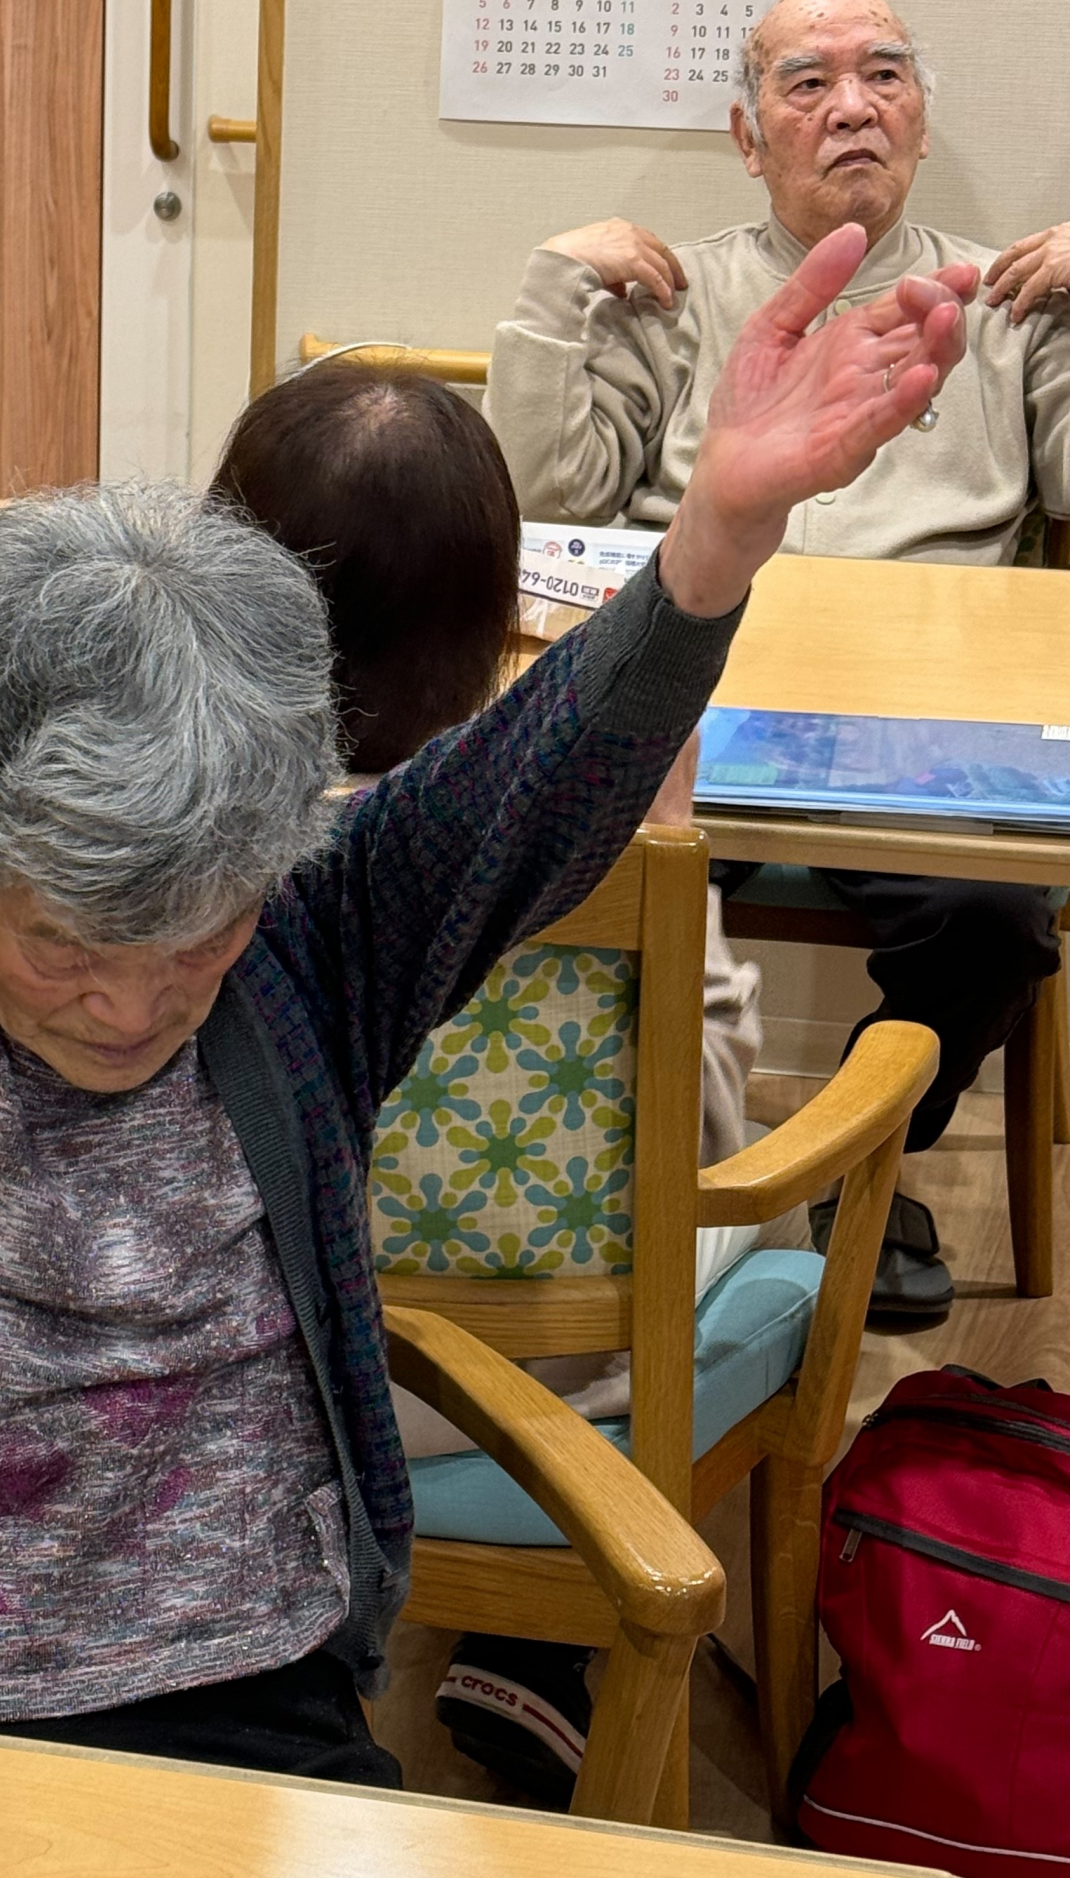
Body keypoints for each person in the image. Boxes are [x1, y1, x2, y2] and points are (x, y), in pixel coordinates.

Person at [0, 9, 960, 1790]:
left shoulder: (315, 950)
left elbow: (534, 791)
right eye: (64, 946)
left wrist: (718, 533)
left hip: (263, 1708)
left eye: (200, 937)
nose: (135, 1004)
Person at [209, 352, 770, 1803]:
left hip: (272, 1363)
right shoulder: (575, 835)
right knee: (768, 1199)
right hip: (553, 1382)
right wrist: (677, 856)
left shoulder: (170, 839)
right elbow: (700, 1135)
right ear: (492, 616)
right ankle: (552, 1636)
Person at [485, 0, 1070, 1323]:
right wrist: (556, 286)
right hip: (694, 698)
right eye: (808, 83)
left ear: (920, 118)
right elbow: (541, 508)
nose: (853, 106)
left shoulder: (1007, 302)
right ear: (749, 139)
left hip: (927, 722)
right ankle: (622, 1176)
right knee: (562, 867)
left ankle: (849, 1170)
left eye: (884, 74)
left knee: (992, 920)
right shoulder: (679, 294)